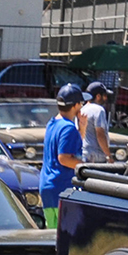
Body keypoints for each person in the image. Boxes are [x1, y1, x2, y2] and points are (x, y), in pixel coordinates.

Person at [40, 83, 86, 229]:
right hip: (62, 187)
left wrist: (82, 130)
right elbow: (64, 158)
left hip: (47, 186)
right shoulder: (68, 128)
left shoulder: (53, 123)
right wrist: (85, 166)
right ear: (75, 106)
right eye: (81, 103)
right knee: (66, 236)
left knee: (52, 234)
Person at [80, 81, 112, 162]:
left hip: (83, 153)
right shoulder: (99, 110)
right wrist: (109, 156)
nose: (106, 98)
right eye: (104, 95)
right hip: (96, 155)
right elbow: (100, 134)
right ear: (98, 96)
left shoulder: (82, 110)